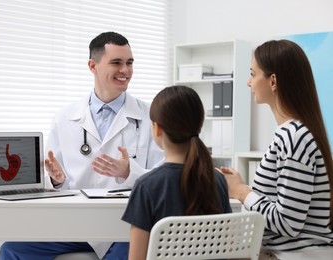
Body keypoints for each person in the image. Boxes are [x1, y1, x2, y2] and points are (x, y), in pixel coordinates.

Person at [0, 31, 163, 259]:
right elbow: (54, 177)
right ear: (92, 66)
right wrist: (57, 180)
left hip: (125, 224)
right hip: (76, 223)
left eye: (129, 63)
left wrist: (129, 172)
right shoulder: (65, 117)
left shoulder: (150, 116)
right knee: (12, 250)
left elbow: (162, 178)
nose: (125, 71)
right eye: (116, 63)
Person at [220, 39, 333, 260]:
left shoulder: (294, 137)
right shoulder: (293, 133)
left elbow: (288, 223)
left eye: (253, 74)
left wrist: (241, 191)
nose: (248, 82)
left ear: (273, 81)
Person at [122, 85, 232, 260]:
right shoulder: (217, 179)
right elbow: (227, 248)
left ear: (157, 129)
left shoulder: (146, 186)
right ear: (199, 126)